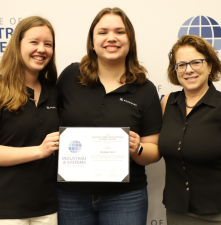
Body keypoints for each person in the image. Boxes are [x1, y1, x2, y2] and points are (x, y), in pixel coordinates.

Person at [56, 7, 162, 225]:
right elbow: (51, 121)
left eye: (120, 32)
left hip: (126, 197)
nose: (111, 38)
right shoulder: (70, 77)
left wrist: (137, 149)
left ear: (130, 39)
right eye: (103, 32)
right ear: (92, 41)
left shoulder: (145, 89)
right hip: (71, 195)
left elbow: (154, 150)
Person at [145, 34, 221, 225]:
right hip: (177, 213)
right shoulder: (166, 103)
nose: (189, 70)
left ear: (210, 65)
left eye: (196, 62)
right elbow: (155, 147)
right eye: (182, 64)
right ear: (175, 70)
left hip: (220, 215)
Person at [0, 16, 60, 225]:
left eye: (48, 44)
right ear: (17, 44)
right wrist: (40, 150)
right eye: (34, 42)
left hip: (46, 208)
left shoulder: (54, 91)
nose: (42, 49)